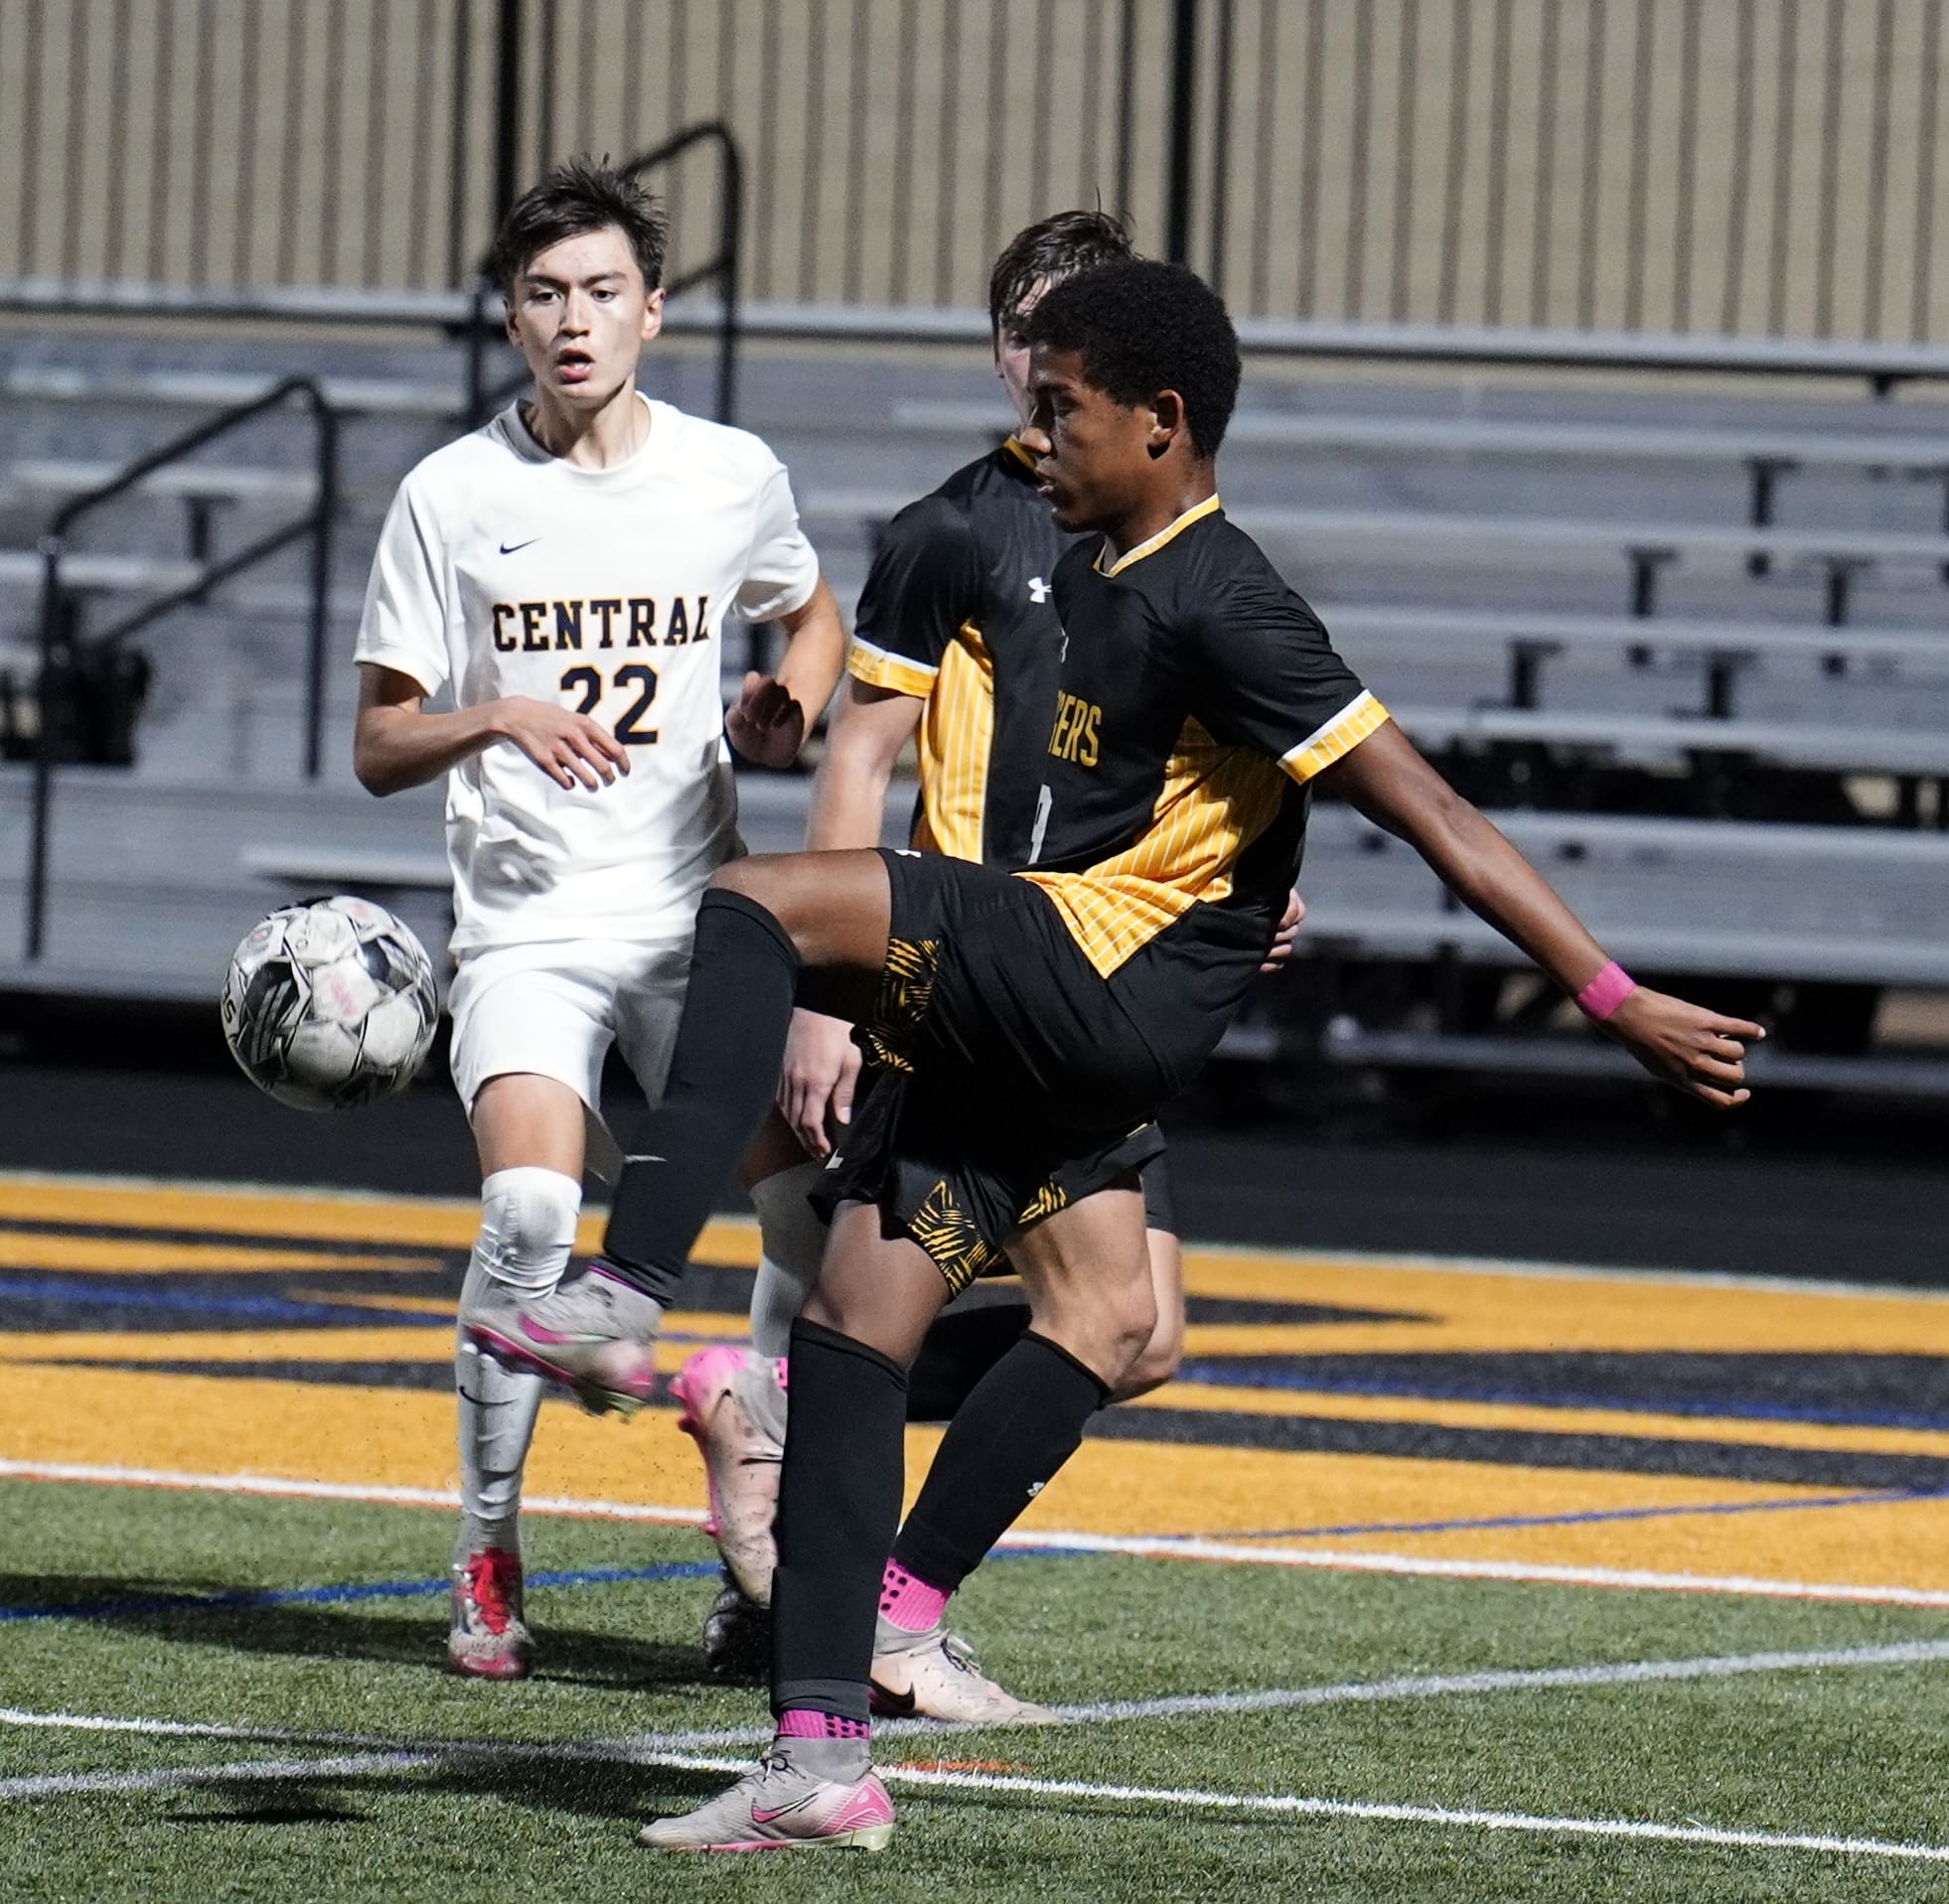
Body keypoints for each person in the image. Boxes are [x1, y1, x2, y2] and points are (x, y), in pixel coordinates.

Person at [473, 258, 1762, 1851]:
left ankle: (622, 1286)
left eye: (1061, 409)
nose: (1036, 434)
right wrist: (1235, 883)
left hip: (1092, 987)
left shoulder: (1225, 595)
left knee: (751, 904)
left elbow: (1434, 816)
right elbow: (1159, 812)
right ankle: (820, 1762)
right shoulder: (1055, 559)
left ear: (1161, 423)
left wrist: (1610, 997)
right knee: (875, 1333)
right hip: (1043, 1016)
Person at [668, 212, 1301, 1719]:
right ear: (999, 345)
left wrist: (1232, 892)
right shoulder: (962, 524)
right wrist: (834, 995)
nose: (1039, 362)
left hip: (1086, 972)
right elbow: (863, 755)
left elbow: (1204, 746)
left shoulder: (1137, 530)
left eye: (1067, 336)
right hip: (962, 971)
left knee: (1130, 1332)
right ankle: (860, 1631)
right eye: (1024, 329)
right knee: (1023, 1314)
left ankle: (815, 1539)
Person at [352, 155, 844, 1681]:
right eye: (546, 294)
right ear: (511, 318)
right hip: (526, 928)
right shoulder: (452, 493)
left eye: (603, 292)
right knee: (526, 1221)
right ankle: (487, 1550)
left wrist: (793, 702)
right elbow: (377, 744)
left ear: (654, 310)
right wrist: (494, 711)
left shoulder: (725, 473)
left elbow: (809, 607)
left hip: (702, 921)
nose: (576, 320)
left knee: (813, 1219)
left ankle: (755, 1535)